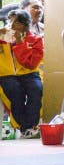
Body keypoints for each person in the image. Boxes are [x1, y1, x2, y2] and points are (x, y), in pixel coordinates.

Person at [0, 10, 43, 138]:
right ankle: (25, 127)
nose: (11, 26)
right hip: (7, 75)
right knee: (15, 92)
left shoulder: (35, 39)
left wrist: (19, 43)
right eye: (10, 21)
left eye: (16, 22)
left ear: (25, 24)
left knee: (36, 89)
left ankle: (29, 126)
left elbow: (30, 63)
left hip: (29, 73)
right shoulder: (4, 36)